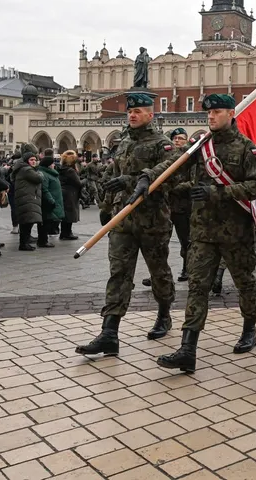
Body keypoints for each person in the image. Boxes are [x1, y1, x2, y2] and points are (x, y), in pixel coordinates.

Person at [131, 95, 256, 373]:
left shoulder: (245, 149)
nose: (211, 116)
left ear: (231, 114)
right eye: (208, 113)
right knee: (197, 287)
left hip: (235, 232)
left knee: (244, 282)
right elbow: (174, 163)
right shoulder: (201, 145)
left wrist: (219, 192)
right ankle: (188, 348)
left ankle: (250, 327)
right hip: (203, 231)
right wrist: (148, 175)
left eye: (217, 112)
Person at [75, 93, 176, 358]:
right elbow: (111, 176)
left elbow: (169, 178)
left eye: (139, 111)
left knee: (158, 272)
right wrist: (106, 207)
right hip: (123, 221)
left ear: (150, 115)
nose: (132, 115)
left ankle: (164, 314)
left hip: (152, 221)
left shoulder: (162, 144)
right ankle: (109, 333)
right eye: (130, 112)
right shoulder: (123, 143)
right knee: (119, 273)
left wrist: (130, 181)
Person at [169, 128, 191, 283]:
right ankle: (158, 274)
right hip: (166, 206)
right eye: (175, 138)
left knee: (185, 241)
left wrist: (178, 188)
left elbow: (195, 180)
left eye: (180, 138)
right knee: (160, 241)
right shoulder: (168, 157)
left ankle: (187, 269)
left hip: (183, 206)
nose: (177, 141)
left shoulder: (190, 157)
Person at [37, 155, 64, 247]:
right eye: (52, 163)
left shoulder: (51, 173)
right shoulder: (44, 174)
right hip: (48, 201)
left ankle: (44, 240)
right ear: (48, 165)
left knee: (49, 221)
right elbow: (44, 189)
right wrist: (51, 200)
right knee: (45, 221)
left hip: (53, 199)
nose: (54, 165)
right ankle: (42, 240)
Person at [58, 150, 82, 240]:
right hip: (70, 193)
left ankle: (65, 232)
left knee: (66, 213)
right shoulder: (70, 171)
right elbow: (78, 183)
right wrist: (85, 181)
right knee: (70, 214)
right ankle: (67, 233)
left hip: (65, 192)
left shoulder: (62, 168)